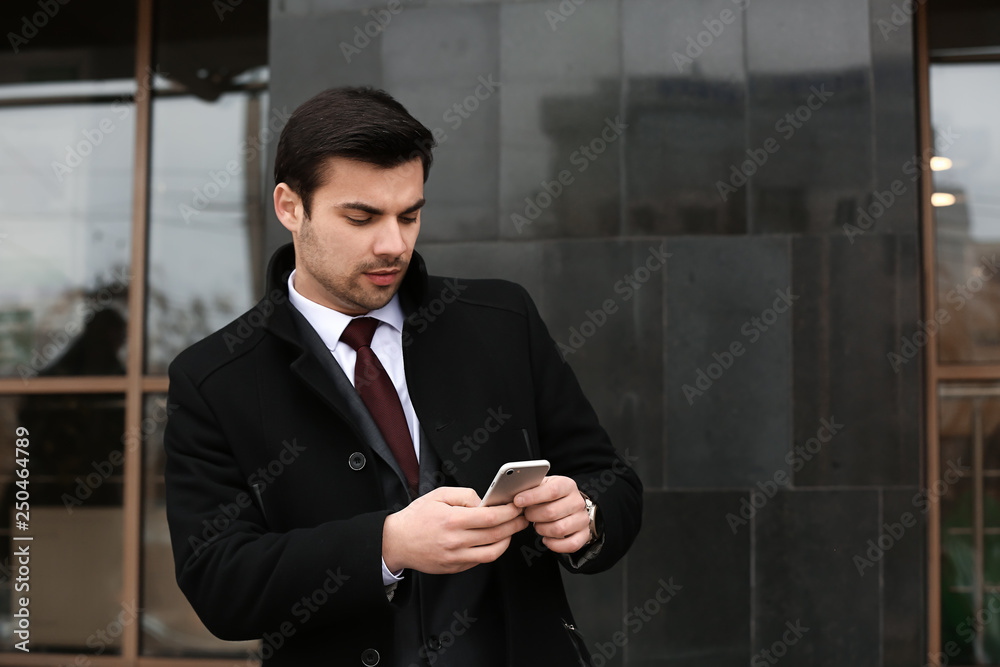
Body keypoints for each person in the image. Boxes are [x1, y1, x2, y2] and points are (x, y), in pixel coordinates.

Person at [164, 86, 643, 667]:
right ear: (290, 207)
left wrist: (585, 515)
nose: (394, 244)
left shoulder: (500, 322)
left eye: (409, 215)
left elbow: (610, 478)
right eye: (361, 217)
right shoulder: (215, 378)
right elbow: (219, 584)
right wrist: (387, 545)